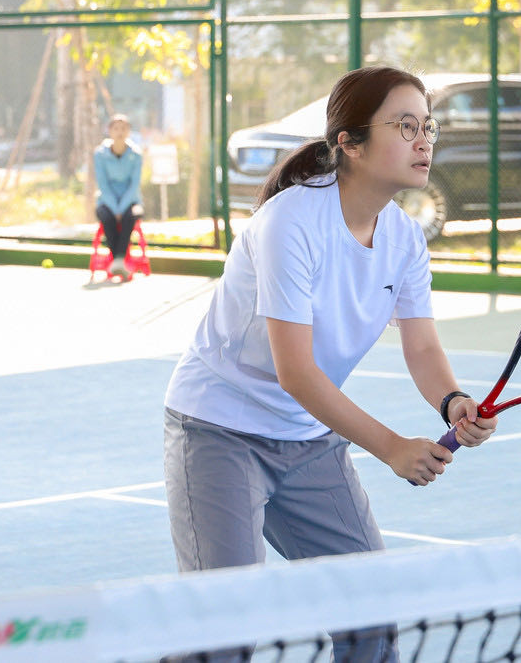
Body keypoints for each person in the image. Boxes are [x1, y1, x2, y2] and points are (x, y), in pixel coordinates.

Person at [162, 65, 497, 660]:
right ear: (350, 143)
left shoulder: (405, 239)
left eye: (428, 127)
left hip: (308, 439)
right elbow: (296, 372)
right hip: (219, 430)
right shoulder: (290, 222)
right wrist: (392, 447)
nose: (423, 140)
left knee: (370, 618)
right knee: (224, 634)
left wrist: (452, 400)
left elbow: (421, 346)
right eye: (405, 125)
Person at [93, 113, 143, 280]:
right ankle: (119, 261)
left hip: (131, 201)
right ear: (109, 131)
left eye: (123, 128)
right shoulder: (99, 154)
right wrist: (115, 209)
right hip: (107, 202)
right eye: (116, 128)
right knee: (106, 217)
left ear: (129, 131)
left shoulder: (136, 154)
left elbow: (134, 185)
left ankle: (118, 261)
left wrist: (121, 209)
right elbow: (103, 185)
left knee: (130, 216)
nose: (120, 132)